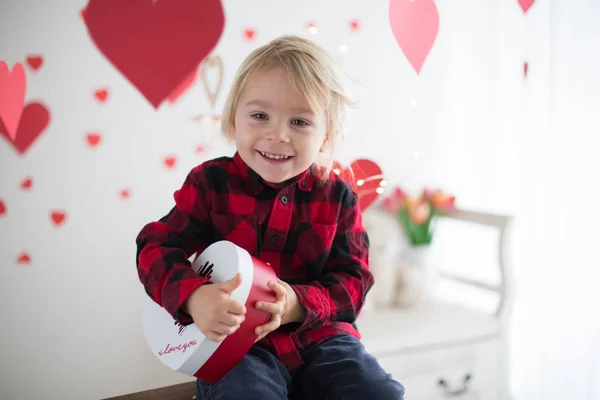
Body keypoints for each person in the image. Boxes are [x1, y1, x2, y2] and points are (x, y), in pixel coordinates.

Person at [135, 34, 405, 400]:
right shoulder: (210, 183)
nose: (277, 135)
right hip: (236, 346)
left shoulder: (338, 197)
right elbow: (155, 246)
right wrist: (194, 297)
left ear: (326, 137)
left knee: (377, 393)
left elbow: (354, 281)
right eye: (260, 116)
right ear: (233, 120)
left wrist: (297, 304)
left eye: (299, 122)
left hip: (320, 338)